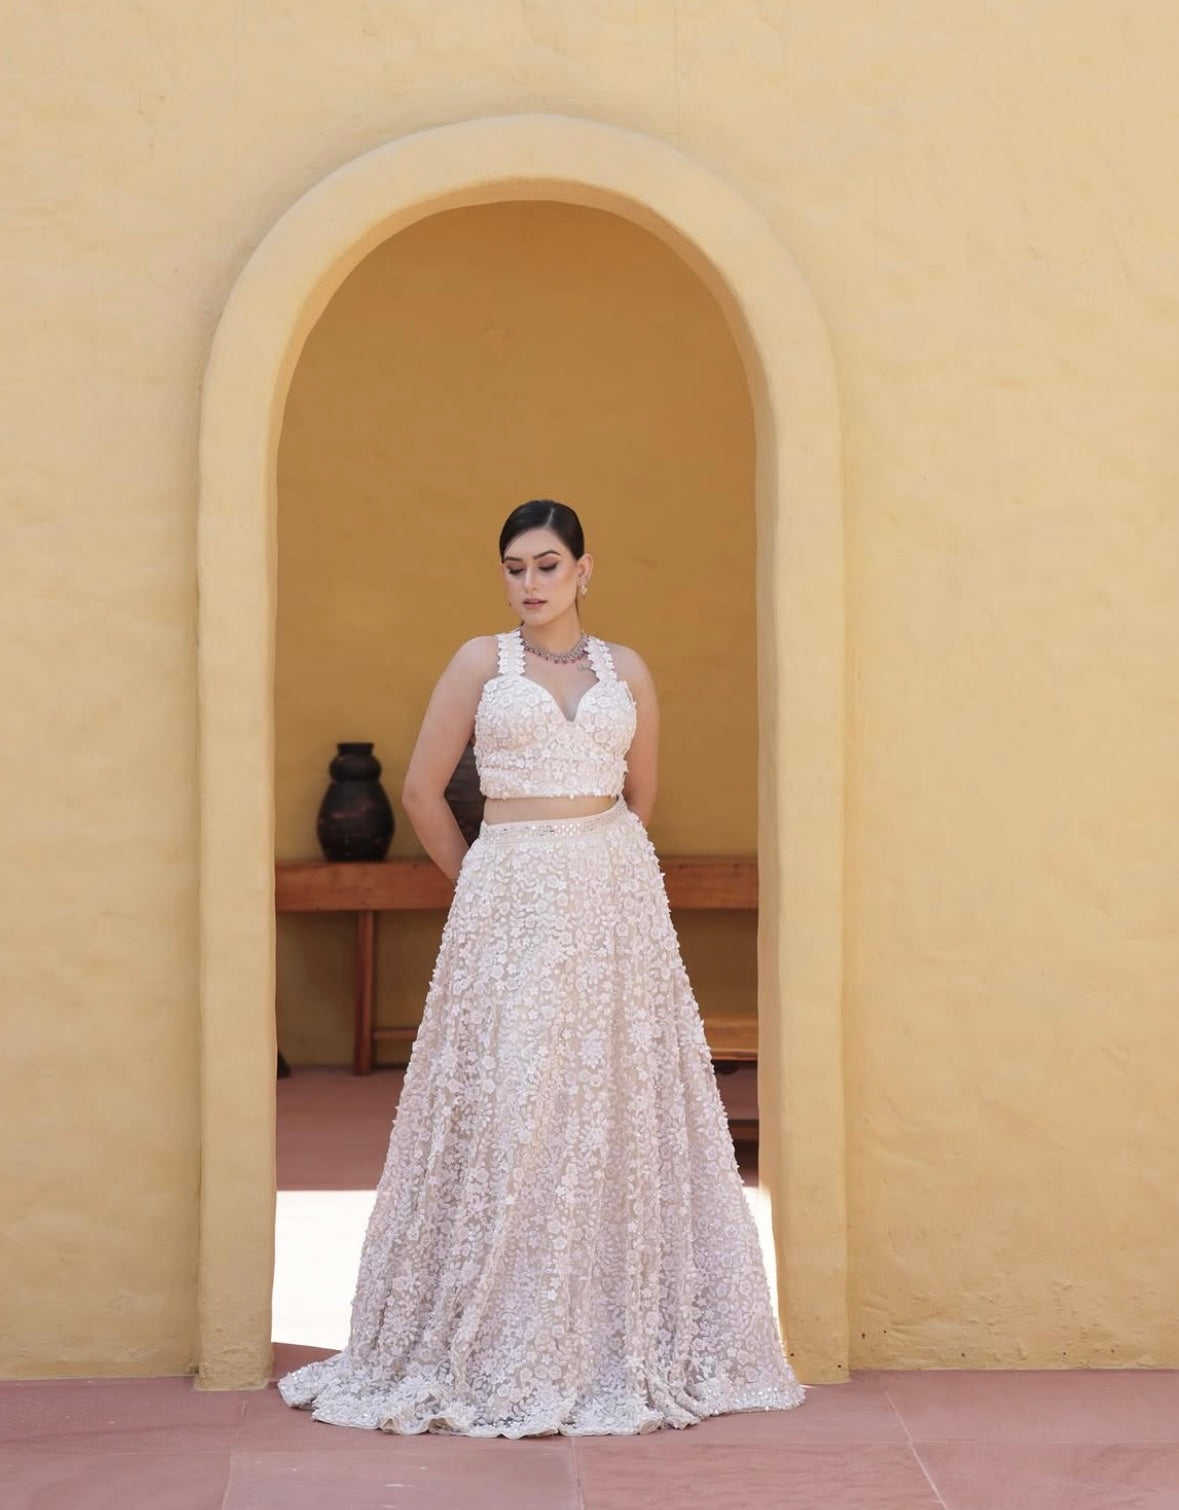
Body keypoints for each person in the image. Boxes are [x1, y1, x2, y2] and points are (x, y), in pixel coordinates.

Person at [277, 499, 806, 1436]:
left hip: (611, 897)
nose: (530, 583)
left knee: (605, 1099)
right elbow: (421, 791)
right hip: (510, 896)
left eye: (547, 564)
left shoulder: (626, 670)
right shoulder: (480, 663)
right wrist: (484, 881)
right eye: (515, 568)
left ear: (583, 570)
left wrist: (596, 870)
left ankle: (603, 1334)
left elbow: (640, 792)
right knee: (517, 1095)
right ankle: (499, 1337)